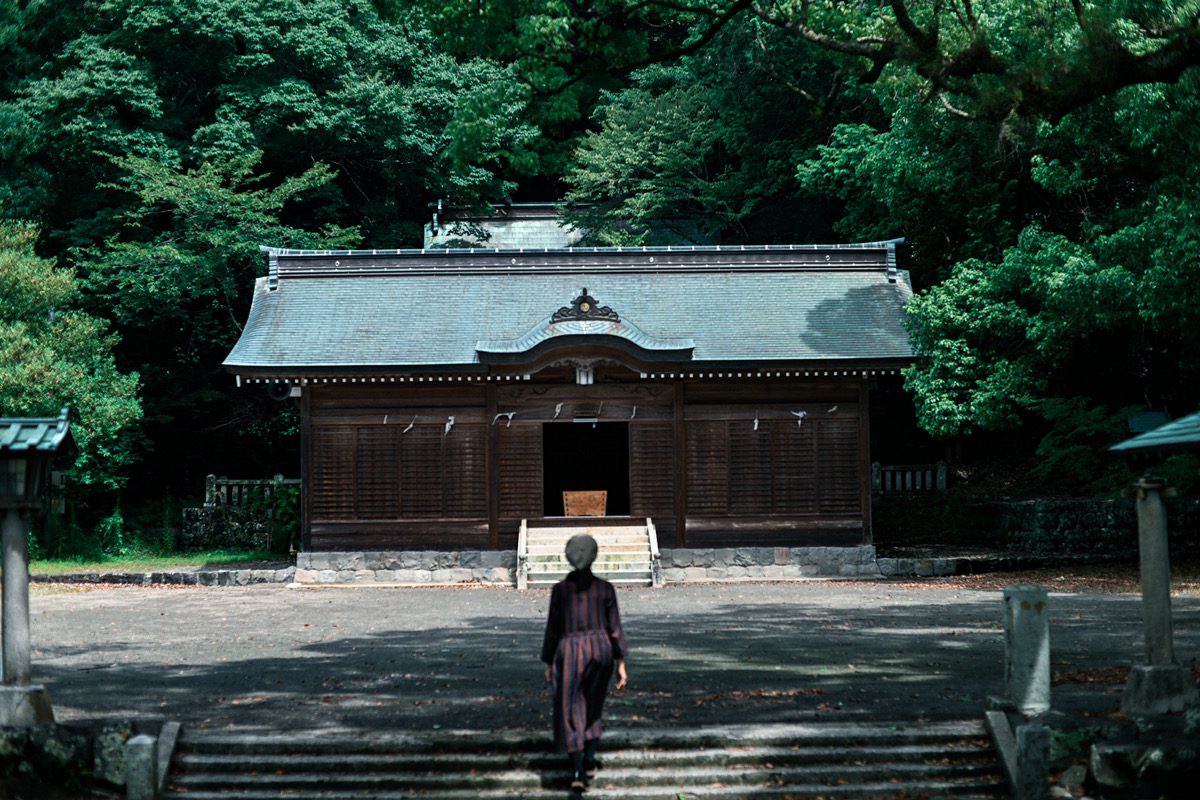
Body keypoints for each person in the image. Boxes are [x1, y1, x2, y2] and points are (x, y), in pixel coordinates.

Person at [541, 533, 629, 793]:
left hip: (570, 649)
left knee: (570, 707)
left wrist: (548, 660)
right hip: (601, 648)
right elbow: (615, 627)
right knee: (593, 702)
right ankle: (589, 757)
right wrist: (621, 661)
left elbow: (553, 629)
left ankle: (578, 768)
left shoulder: (560, 590)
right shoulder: (605, 589)